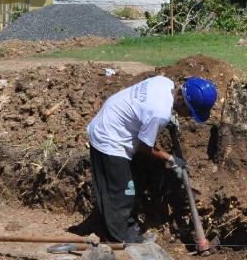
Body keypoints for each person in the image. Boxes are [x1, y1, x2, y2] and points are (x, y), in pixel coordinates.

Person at [85, 75, 218, 244]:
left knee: (131, 183)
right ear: (179, 98)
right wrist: (170, 158)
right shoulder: (159, 113)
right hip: (110, 137)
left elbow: (144, 106)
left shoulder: (165, 83)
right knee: (123, 192)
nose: (189, 117)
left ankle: (115, 226)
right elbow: (144, 149)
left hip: (113, 117)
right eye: (190, 112)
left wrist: (169, 118)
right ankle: (121, 238)